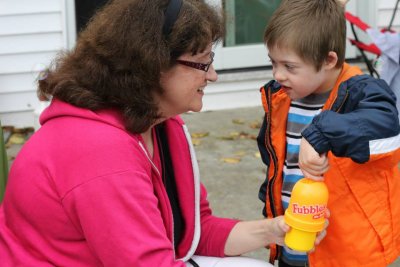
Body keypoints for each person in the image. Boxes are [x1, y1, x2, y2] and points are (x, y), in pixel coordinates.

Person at [0, 1, 328, 266]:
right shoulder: (99, 153)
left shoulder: (161, 126)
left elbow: (192, 232)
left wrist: (274, 230)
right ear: (152, 65)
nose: (212, 75)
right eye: (202, 63)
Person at [256, 0, 400, 266]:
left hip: (348, 252)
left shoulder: (364, 92)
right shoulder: (281, 98)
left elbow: (387, 130)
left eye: (289, 66)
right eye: (273, 63)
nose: (278, 75)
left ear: (328, 60)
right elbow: (277, 167)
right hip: (294, 240)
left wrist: (320, 132)